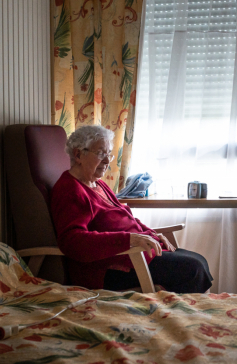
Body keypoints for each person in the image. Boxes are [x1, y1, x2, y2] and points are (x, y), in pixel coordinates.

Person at [50, 125, 213, 293]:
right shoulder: (70, 190)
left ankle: (173, 308)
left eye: (108, 154)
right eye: (100, 153)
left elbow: (125, 218)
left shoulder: (98, 184)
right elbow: (72, 241)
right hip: (110, 267)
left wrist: (151, 233)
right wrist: (130, 240)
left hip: (134, 255)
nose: (107, 161)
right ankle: (170, 311)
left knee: (198, 260)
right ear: (78, 155)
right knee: (194, 269)